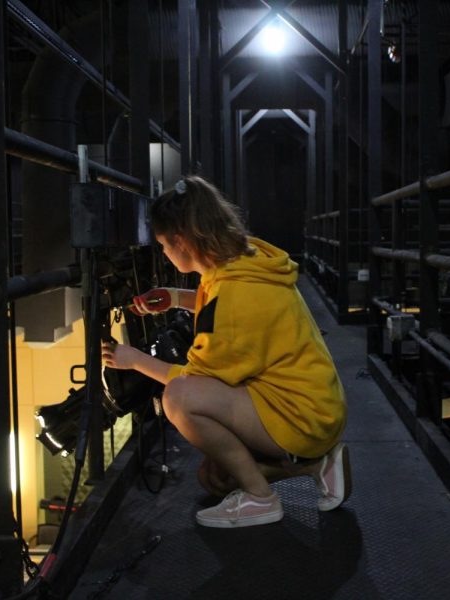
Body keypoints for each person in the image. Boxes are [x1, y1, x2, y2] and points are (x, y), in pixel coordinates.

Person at [101, 175, 350, 528]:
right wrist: (174, 298)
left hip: (303, 417)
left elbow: (192, 379)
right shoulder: (245, 260)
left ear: (183, 241)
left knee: (178, 399)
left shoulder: (232, 296)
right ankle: (314, 467)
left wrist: (133, 360)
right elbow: (221, 305)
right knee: (216, 478)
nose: (165, 255)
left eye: (163, 246)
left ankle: (261, 499)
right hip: (315, 401)